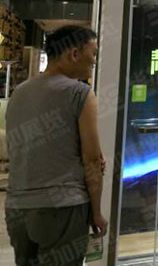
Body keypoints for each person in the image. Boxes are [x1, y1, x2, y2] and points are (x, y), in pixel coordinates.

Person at [5, 25, 107, 266]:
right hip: (62, 208)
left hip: (17, 207)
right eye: (92, 54)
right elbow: (92, 159)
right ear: (74, 54)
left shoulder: (19, 92)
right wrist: (96, 212)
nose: (94, 61)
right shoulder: (80, 93)